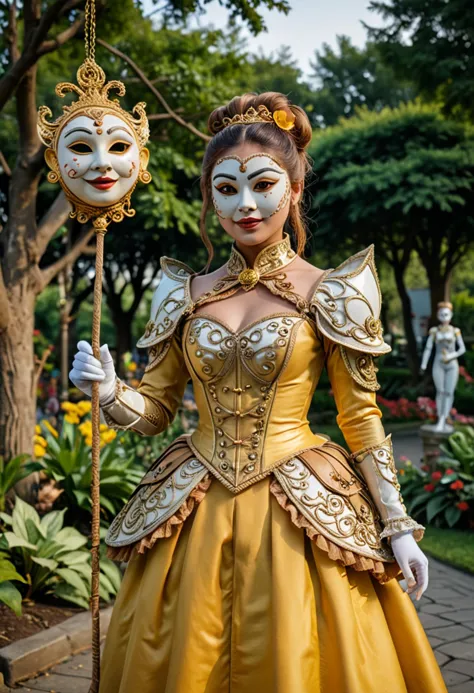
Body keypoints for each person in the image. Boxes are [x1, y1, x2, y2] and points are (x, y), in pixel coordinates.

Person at [70, 93, 447, 693]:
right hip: (194, 504)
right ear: (209, 197)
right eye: (225, 189)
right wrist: (111, 389)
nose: (244, 205)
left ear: (294, 190)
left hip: (301, 504)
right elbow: (156, 412)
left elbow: (360, 415)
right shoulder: (182, 293)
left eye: (262, 185)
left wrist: (398, 526)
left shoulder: (334, 291)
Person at [421, 301, 466, 432]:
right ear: (438, 315)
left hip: (452, 364)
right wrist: (424, 363)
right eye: (442, 313)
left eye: (447, 314)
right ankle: (440, 418)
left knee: (449, 392)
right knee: (440, 391)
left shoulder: (455, 331)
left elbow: (462, 349)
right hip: (438, 363)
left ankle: (445, 418)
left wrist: (452, 356)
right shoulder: (434, 331)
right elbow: (428, 348)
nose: (444, 316)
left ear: (451, 315)